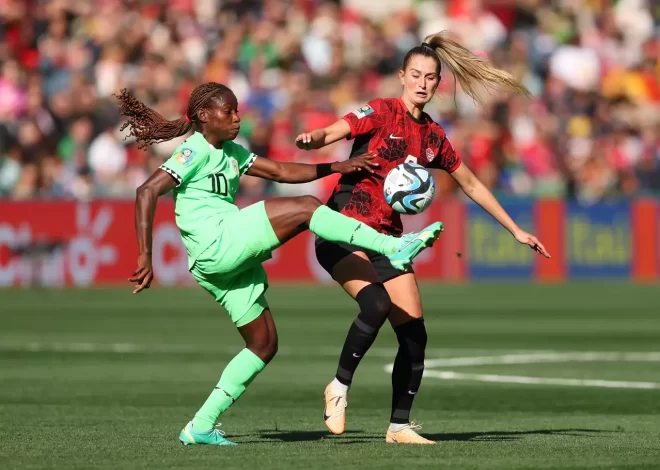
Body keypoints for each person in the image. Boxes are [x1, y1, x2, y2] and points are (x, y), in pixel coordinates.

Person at [114, 82, 443, 446]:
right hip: (219, 240)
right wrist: (145, 254)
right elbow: (146, 190)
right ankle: (393, 247)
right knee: (305, 207)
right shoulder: (193, 151)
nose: (237, 117)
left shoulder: (231, 151)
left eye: (238, 110)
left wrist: (336, 165)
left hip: (216, 266)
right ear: (204, 117)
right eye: (229, 111)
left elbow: (282, 172)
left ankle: (201, 426)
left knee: (263, 344)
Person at [295, 32, 551, 445]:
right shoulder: (381, 111)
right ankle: (338, 388)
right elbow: (336, 129)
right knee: (375, 303)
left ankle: (398, 427)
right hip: (342, 228)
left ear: (437, 84)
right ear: (401, 76)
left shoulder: (432, 135)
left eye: (431, 77)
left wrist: (516, 229)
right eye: (416, 74)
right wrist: (314, 137)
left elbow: (470, 183)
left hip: (388, 240)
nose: (422, 83)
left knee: (414, 333)